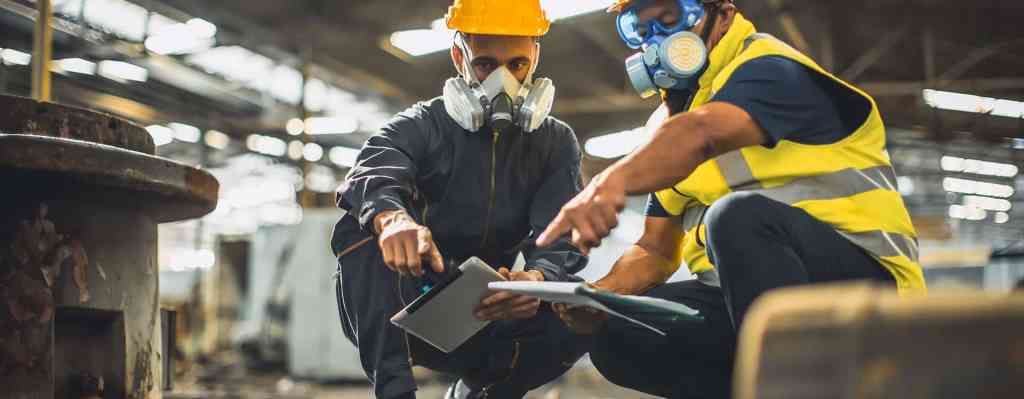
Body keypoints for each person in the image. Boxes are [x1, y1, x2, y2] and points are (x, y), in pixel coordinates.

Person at [537, 0, 928, 397]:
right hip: (745, 301)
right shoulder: (671, 128)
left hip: (866, 288)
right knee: (618, 334)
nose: (656, 40)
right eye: (640, 28)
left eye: (670, 18)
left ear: (722, 15)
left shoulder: (768, 67)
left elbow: (703, 133)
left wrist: (611, 181)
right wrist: (601, 295)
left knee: (737, 217)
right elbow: (655, 250)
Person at [331, 1, 588, 398]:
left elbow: (562, 235)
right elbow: (374, 171)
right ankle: (395, 392)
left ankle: (481, 391)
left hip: (490, 308)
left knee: (582, 309)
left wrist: (537, 282)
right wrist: (392, 220)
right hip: (409, 304)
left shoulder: (554, 143)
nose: (503, 80)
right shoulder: (421, 126)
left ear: (536, 57)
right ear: (458, 56)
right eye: (485, 64)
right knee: (360, 229)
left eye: (517, 64)